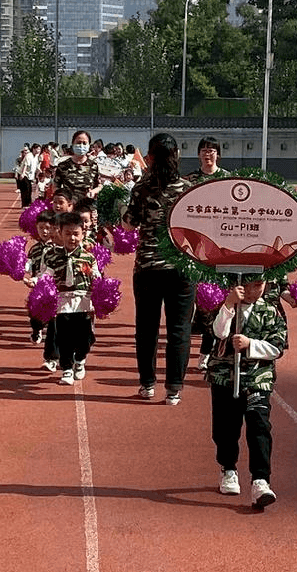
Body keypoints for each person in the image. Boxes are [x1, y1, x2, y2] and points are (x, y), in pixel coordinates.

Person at [123, 133, 196, 405]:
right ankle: (174, 388)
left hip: (148, 267)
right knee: (179, 329)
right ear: (176, 156)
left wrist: (120, 208)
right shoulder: (187, 189)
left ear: (150, 158)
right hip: (181, 268)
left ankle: (147, 384)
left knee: (147, 327)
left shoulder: (142, 188)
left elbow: (129, 224)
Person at [207, 277, 288, 510]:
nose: (254, 291)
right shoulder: (224, 304)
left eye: (259, 285)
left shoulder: (269, 311)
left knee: (259, 425)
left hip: (257, 378)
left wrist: (250, 344)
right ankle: (228, 468)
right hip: (225, 376)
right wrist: (229, 305)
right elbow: (218, 332)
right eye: (250, 285)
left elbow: (277, 346)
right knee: (225, 427)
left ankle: (261, 480)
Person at [186, 136, 231, 371]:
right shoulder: (190, 180)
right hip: (195, 249)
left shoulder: (227, 180)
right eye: (204, 150)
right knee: (198, 300)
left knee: (216, 301)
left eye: (212, 150)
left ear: (218, 154)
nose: (208, 154)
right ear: (198, 154)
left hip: (221, 251)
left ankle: (207, 352)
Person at [41, 212, 100, 385]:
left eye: (76, 234)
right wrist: (36, 282)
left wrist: (102, 288)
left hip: (84, 303)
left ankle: (80, 360)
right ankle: (66, 368)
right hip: (62, 303)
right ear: (60, 233)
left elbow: (97, 277)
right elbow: (46, 275)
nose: (72, 238)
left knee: (87, 338)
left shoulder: (89, 257)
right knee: (64, 337)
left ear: (83, 234)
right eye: (67, 233)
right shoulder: (53, 256)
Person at [24, 209, 60, 368]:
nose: (45, 231)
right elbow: (28, 265)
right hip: (37, 287)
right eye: (41, 228)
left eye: (48, 228)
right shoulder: (35, 249)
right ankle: (37, 329)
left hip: (55, 289)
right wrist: (26, 276)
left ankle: (51, 357)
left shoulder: (59, 249)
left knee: (54, 321)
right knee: (35, 315)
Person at [54, 130, 101, 203]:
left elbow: (99, 185)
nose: (81, 146)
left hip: (87, 207)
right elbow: (56, 187)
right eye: (78, 143)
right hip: (68, 207)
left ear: (89, 145)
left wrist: (94, 191)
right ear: (73, 144)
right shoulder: (63, 165)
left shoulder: (93, 165)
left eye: (84, 143)